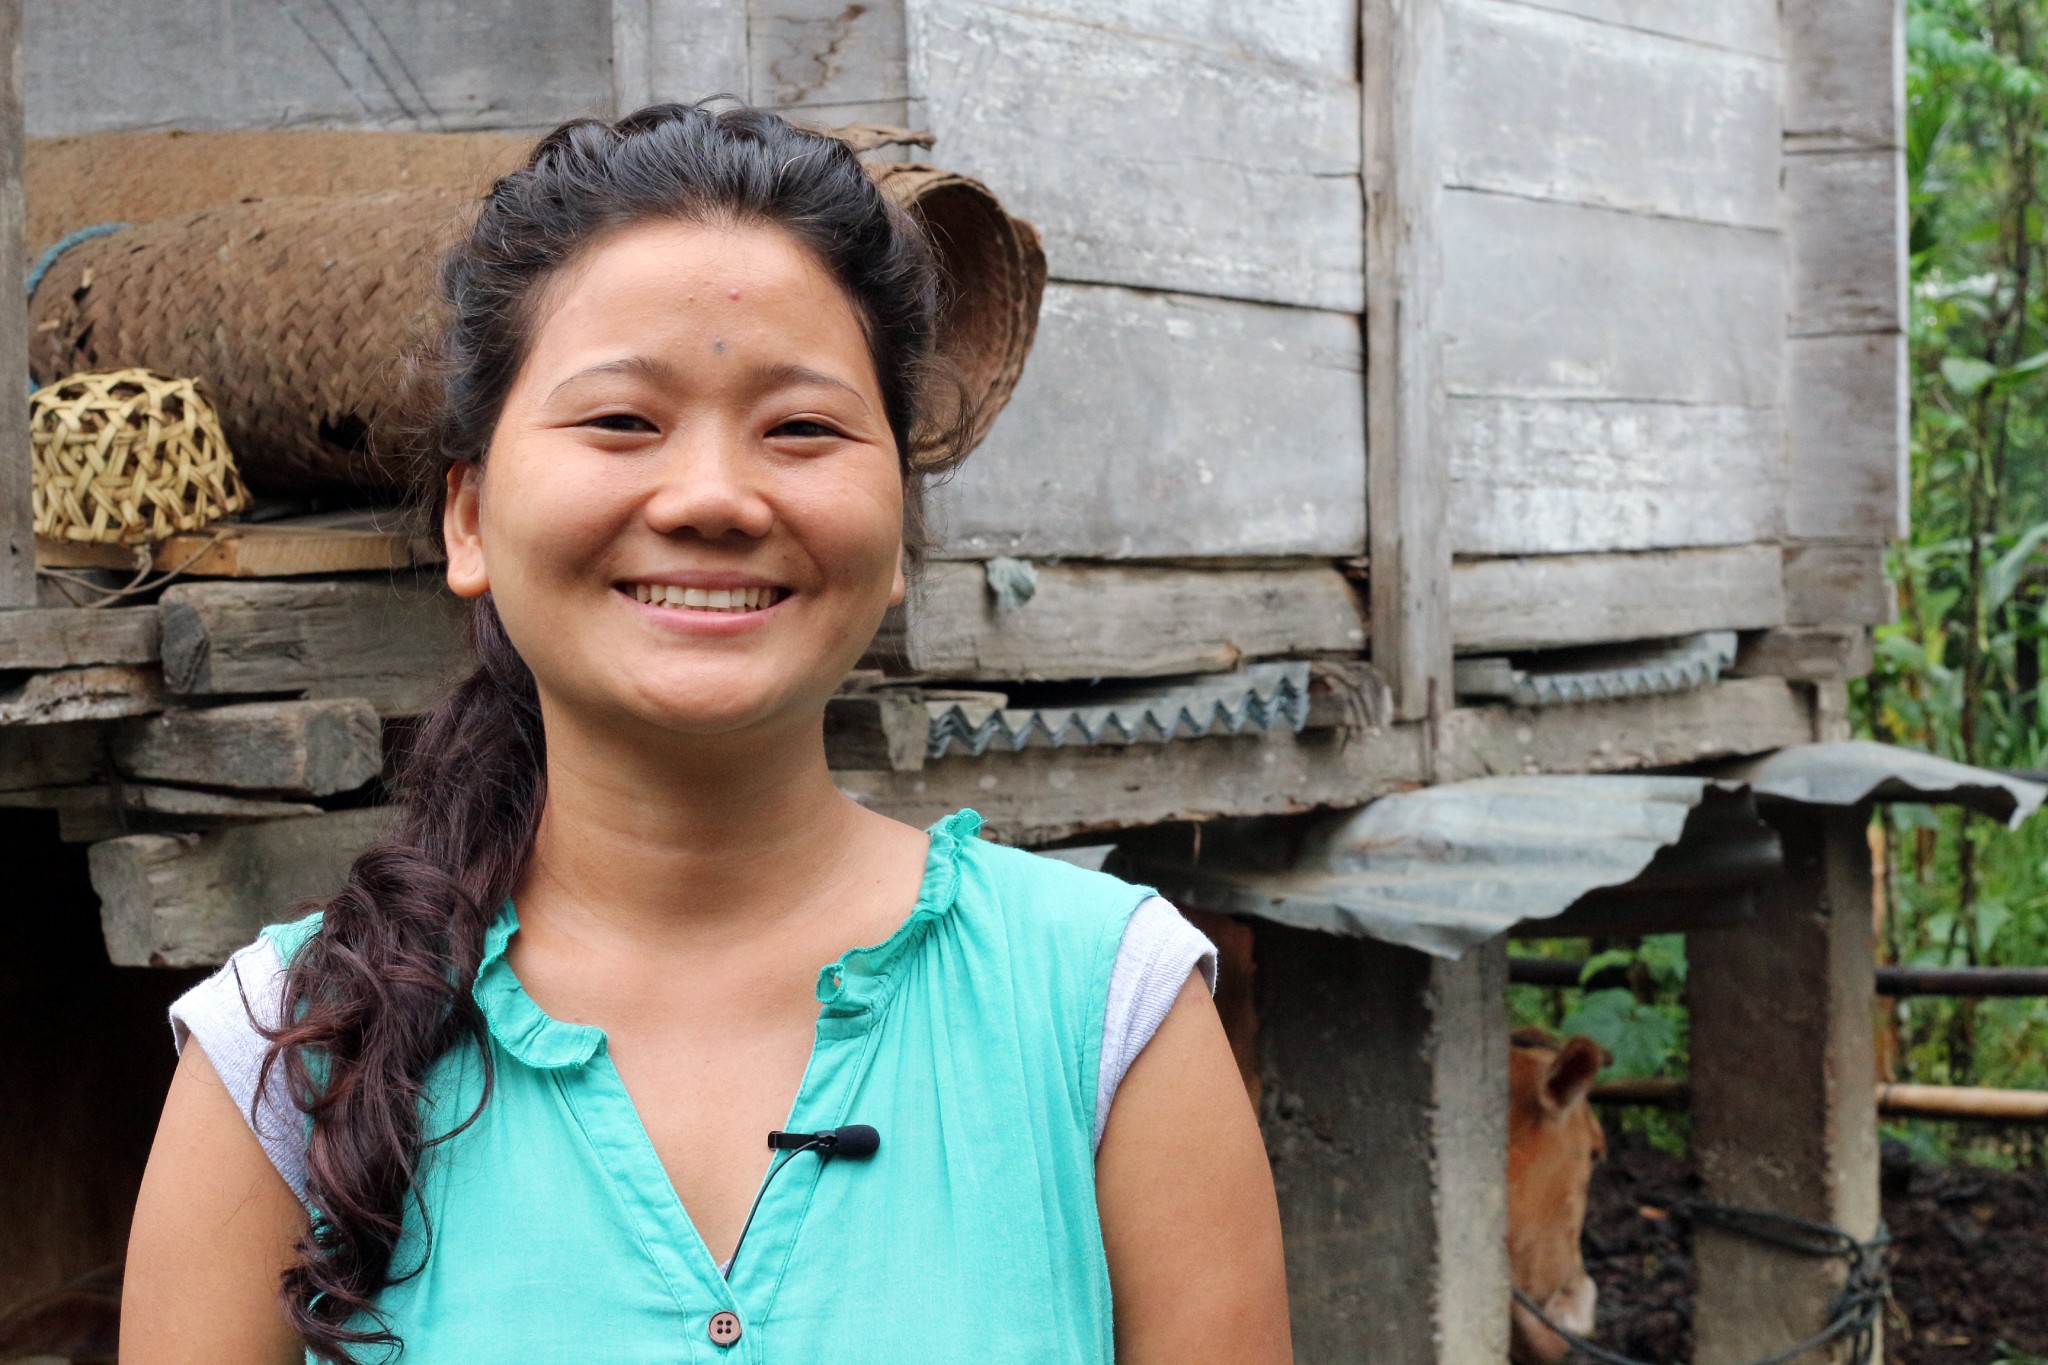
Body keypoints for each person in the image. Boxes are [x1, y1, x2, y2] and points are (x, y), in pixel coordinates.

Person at [119, 103, 1290, 1363]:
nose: (715, 499)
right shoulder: (285, 1057)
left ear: (899, 528)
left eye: (801, 429)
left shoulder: (1102, 1012)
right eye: (622, 420)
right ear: (468, 518)